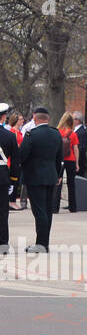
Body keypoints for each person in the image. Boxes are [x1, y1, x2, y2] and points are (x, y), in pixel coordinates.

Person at [18, 107, 64, 253]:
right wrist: (58, 174)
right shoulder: (56, 134)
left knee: (39, 212)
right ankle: (44, 243)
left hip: (34, 178)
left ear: (35, 118)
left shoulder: (31, 134)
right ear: (48, 118)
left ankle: (41, 244)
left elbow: (22, 156)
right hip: (51, 177)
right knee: (47, 211)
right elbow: (59, 158)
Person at [0, 103, 17, 251]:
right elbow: (16, 161)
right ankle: (3, 242)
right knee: (2, 211)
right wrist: (13, 180)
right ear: (4, 117)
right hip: (2, 177)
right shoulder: (10, 136)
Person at [56, 112, 80, 212]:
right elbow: (76, 149)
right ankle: (72, 207)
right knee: (71, 184)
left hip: (60, 160)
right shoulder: (73, 134)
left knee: (57, 183)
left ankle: (54, 207)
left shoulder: (57, 132)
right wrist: (77, 163)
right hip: (70, 160)